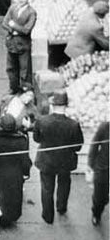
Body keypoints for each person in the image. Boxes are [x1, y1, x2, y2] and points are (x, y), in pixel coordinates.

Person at [33, 91, 84, 224]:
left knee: (46, 188)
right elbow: (78, 146)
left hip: (46, 161)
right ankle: (61, 207)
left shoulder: (42, 121)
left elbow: (37, 139)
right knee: (64, 184)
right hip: (65, 162)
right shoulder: (73, 125)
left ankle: (48, 216)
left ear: (52, 104)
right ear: (66, 106)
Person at [0, 114, 32, 228]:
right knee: (14, 196)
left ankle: (0, 216)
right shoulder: (21, 140)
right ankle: (12, 216)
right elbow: (25, 160)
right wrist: (26, 173)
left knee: (0, 195)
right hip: (15, 174)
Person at [2, 0, 37, 94]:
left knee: (24, 71)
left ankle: (24, 91)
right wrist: (14, 31)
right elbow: (5, 23)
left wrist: (13, 25)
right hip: (12, 44)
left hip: (23, 46)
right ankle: (13, 88)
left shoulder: (31, 12)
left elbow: (26, 30)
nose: (22, 0)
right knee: (11, 69)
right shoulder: (13, 8)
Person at [87, 120, 109, 226]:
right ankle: (96, 214)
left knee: (104, 198)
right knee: (100, 197)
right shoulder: (105, 126)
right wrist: (90, 165)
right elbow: (94, 145)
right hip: (103, 168)